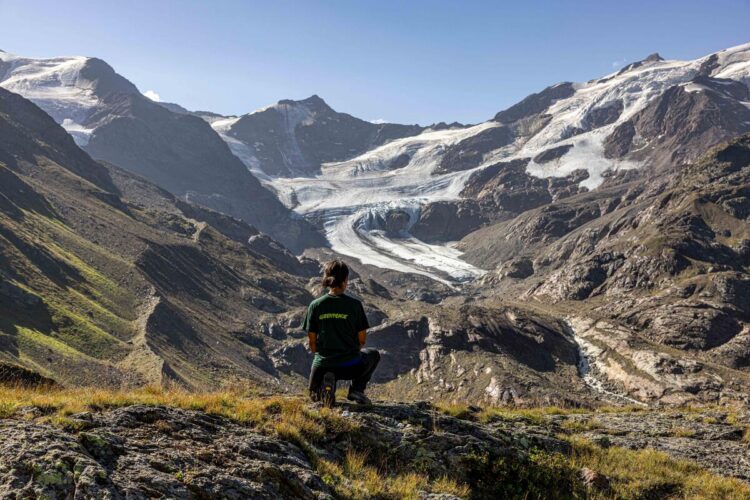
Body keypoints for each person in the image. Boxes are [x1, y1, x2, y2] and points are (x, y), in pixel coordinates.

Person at [304, 260, 380, 407]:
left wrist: (323, 356)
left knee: (314, 397)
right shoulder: (354, 305)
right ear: (345, 280)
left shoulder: (316, 305)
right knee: (373, 354)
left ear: (327, 278)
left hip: (322, 364)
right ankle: (356, 390)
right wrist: (349, 351)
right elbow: (362, 340)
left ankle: (325, 384)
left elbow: (312, 342)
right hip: (349, 365)